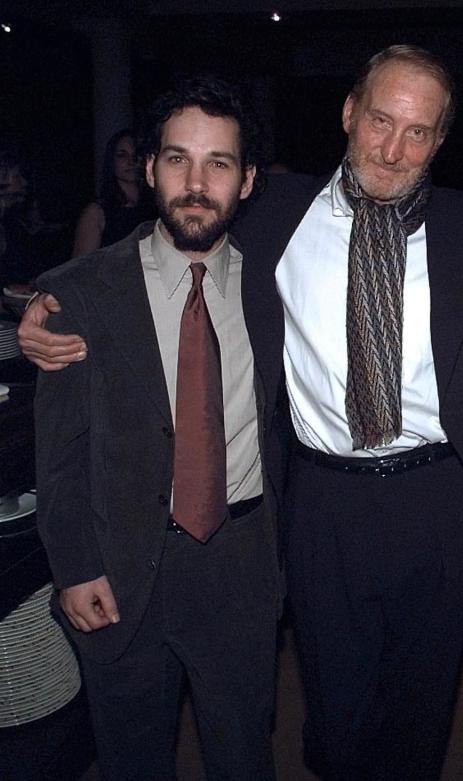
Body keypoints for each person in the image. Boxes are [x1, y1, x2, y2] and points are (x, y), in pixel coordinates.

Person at [19, 45, 463, 780]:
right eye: (379, 120)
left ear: (439, 143)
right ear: (349, 113)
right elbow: (175, 224)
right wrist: (51, 305)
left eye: (417, 131)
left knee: (423, 705)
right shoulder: (271, 211)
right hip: (321, 500)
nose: (392, 146)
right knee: (332, 718)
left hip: (441, 495)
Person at [33, 76, 281, 780]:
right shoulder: (80, 293)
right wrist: (75, 564)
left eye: (220, 163)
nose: (196, 183)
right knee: (133, 759)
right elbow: (60, 454)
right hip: (120, 566)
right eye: (178, 159)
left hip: (239, 562)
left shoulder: (277, 290)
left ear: (249, 180)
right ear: (148, 170)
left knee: (244, 756)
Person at [72, 128, 155, 257]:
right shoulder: (96, 212)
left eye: (136, 154)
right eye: (122, 155)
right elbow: (80, 267)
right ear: (112, 161)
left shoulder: (155, 207)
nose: (131, 161)